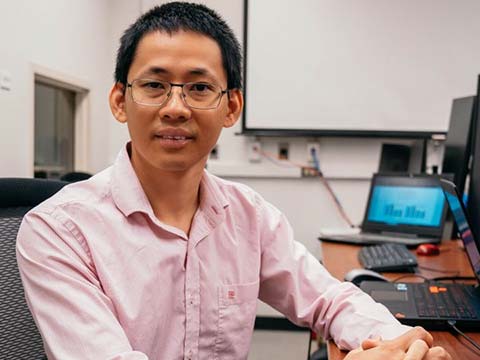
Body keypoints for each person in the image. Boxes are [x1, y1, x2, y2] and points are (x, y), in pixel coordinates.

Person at [16, 2, 450, 359]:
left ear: (231, 106)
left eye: (199, 89)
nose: (175, 107)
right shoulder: (57, 230)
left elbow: (329, 298)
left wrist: (399, 343)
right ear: (119, 100)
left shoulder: (249, 216)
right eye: (154, 85)